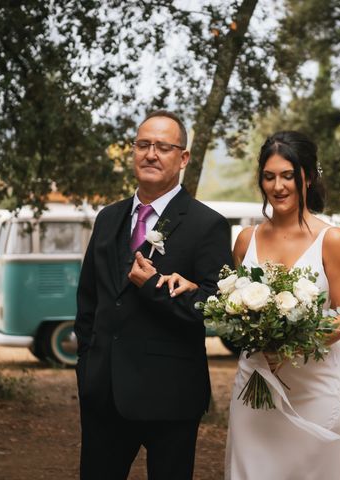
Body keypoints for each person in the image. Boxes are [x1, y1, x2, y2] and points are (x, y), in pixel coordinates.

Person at [160, 131, 340, 479]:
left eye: (288, 175)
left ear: (308, 177)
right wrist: (198, 289)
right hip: (254, 381)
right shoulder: (246, 239)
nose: (278, 186)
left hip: (312, 386)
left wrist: (289, 346)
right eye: (269, 177)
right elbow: (229, 300)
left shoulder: (332, 240)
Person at [74, 110, 233, 480]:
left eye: (163, 146)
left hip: (171, 396)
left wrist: (154, 289)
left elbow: (215, 310)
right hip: (103, 394)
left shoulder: (206, 224)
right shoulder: (108, 218)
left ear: (183, 157)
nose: (151, 154)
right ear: (133, 152)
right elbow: (89, 300)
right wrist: (87, 365)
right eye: (143, 145)